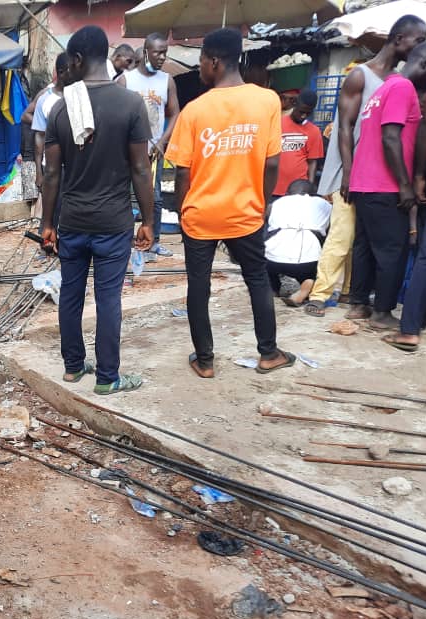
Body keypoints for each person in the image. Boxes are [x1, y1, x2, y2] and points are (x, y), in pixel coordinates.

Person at [166, 28, 294, 379]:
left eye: (202, 62)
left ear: (215, 61)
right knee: (256, 280)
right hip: (246, 213)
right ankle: (268, 353)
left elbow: (182, 173)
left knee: (199, 286)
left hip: (201, 215)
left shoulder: (194, 111)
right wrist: (263, 203)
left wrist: (182, 214)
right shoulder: (268, 101)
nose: (200, 69)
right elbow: (271, 163)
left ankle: (205, 361)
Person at [41, 25, 154, 395]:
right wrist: (149, 221)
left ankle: (73, 368)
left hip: (72, 221)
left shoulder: (60, 110)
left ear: (76, 60)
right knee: (108, 299)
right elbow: (140, 169)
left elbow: (51, 174)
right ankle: (107, 378)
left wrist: (47, 223)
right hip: (113, 222)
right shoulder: (131, 104)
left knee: (71, 295)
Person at [305, 14, 426, 317]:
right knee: (343, 235)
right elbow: (345, 128)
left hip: (374, 172)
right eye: (419, 40)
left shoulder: (394, 82)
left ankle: (353, 297)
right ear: (399, 39)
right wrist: (347, 172)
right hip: (354, 171)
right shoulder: (361, 75)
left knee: (363, 241)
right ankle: (320, 294)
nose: (420, 47)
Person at [346, 41, 426, 331]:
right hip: (384, 183)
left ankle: (359, 304)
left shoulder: (384, 87)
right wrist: (405, 184)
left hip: (364, 181)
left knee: (365, 247)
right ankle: (382, 312)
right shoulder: (403, 89)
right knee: (392, 251)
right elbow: (390, 137)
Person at [117, 32, 180, 257]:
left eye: (165, 52)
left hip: (154, 151)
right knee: (124, 195)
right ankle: (124, 242)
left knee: (155, 196)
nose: (162, 57)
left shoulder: (167, 81)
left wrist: (162, 141)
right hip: (127, 151)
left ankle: (153, 242)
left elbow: (174, 114)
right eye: (158, 52)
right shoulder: (126, 80)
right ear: (145, 52)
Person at [264, 179, 332, 305]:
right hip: (307, 261)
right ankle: (307, 281)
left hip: (273, 260)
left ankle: (272, 288)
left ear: (287, 193)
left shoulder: (276, 203)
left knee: (266, 258)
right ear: (313, 194)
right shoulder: (324, 205)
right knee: (314, 256)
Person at [32, 53, 73, 217]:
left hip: (76, 167)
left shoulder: (81, 96)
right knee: (52, 214)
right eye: (73, 69)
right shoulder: (45, 100)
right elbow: (39, 137)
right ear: (62, 72)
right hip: (52, 167)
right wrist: (39, 172)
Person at [273, 90, 325, 198]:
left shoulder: (314, 131)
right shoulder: (276, 124)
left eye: (308, 113)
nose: (303, 116)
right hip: (274, 188)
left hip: (298, 192)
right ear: (295, 103)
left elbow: (312, 162)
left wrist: (309, 189)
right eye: (301, 111)